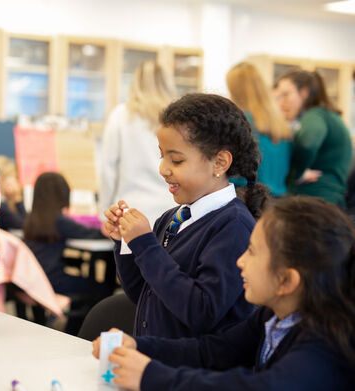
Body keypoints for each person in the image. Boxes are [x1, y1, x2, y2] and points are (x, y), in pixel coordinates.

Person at [93, 196, 355, 391]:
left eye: (252, 252)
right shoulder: (273, 316)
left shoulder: (324, 348)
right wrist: (140, 346)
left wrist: (149, 375)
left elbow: (251, 387)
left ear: (286, 280)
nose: (240, 261)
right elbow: (211, 352)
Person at [103, 93, 268, 339]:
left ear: (220, 163)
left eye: (177, 160)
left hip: (195, 373)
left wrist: (146, 246)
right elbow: (143, 295)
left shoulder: (233, 227)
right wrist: (127, 242)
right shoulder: (171, 219)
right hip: (156, 366)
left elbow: (201, 311)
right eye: (162, 156)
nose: (163, 169)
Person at [98, 60, 176, 219]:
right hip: (172, 208)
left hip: (131, 211)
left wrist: (104, 211)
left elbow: (108, 168)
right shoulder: (176, 118)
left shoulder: (121, 115)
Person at [274, 69, 352, 207]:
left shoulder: (315, 115)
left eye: (286, 94)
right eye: (279, 96)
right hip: (325, 200)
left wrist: (298, 173)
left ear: (304, 93)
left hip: (318, 200)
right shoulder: (326, 115)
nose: (281, 102)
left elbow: (307, 143)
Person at [23, 172, 106, 296]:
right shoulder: (59, 220)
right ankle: (83, 314)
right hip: (53, 280)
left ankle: (76, 313)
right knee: (101, 287)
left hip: (35, 278)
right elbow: (90, 233)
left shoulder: (31, 218)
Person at [226, 62, 292, 196]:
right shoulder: (280, 123)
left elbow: (234, 171)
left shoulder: (241, 120)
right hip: (277, 200)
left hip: (249, 198)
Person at [0, 155, 26, 231]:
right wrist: (18, 198)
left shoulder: (0, 203)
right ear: (0, 178)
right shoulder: (0, 206)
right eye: (12, 177)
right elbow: (25, 224)